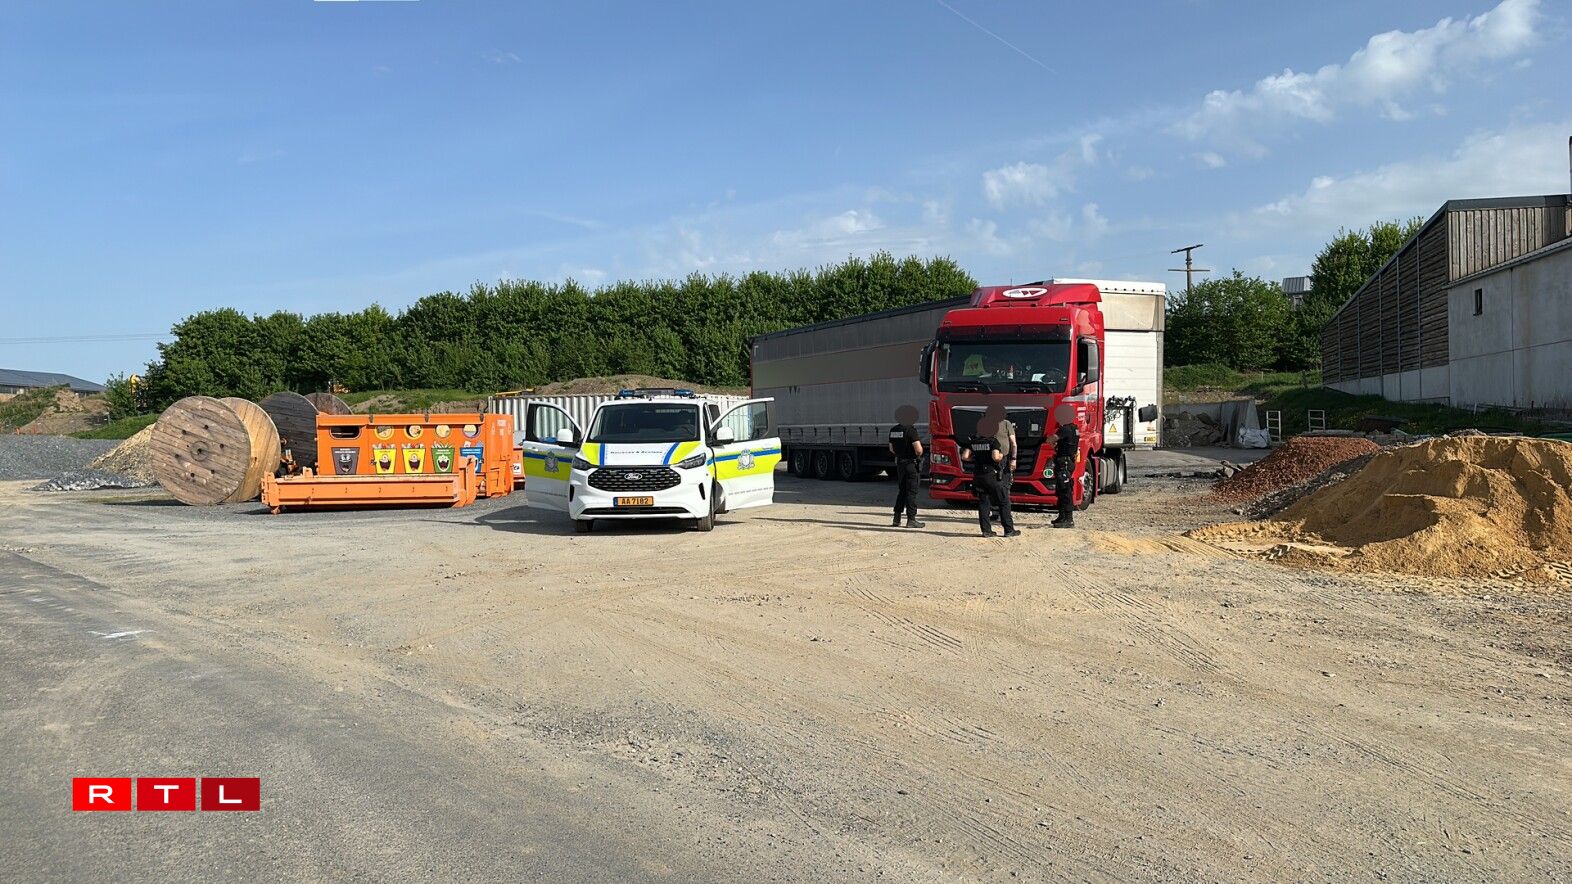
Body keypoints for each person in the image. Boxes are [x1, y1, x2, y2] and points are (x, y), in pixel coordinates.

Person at [962, 407, 1019, 538]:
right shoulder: (993, 441)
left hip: (978, 474)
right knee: (1004, 501)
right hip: (994, 473)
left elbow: (965, 456)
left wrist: (975, 458)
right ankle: (1009, 530)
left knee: (983, 502)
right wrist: (1000, 457)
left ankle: (986, 531)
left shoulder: (974, 441)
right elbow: (995, 456)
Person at [887, 405, 925, 528]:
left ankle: (896, 518)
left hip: (900, 464)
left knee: (902, 491)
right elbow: (918, 450)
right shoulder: (911, 430)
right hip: (911, 464)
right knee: (911, 492)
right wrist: (917, 455)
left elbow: (891, 449)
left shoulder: (893, 430)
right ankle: (911, 520)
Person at [1051, 404, 1079, 529]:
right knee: (1061, 490)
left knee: (1065, 490)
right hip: (1067, 461)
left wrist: (1047, 439)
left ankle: (1068, 519)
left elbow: (1053, 438)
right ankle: (1062, 516)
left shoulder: (1065, 429)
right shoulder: (1074, 428)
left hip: (1065, 462)